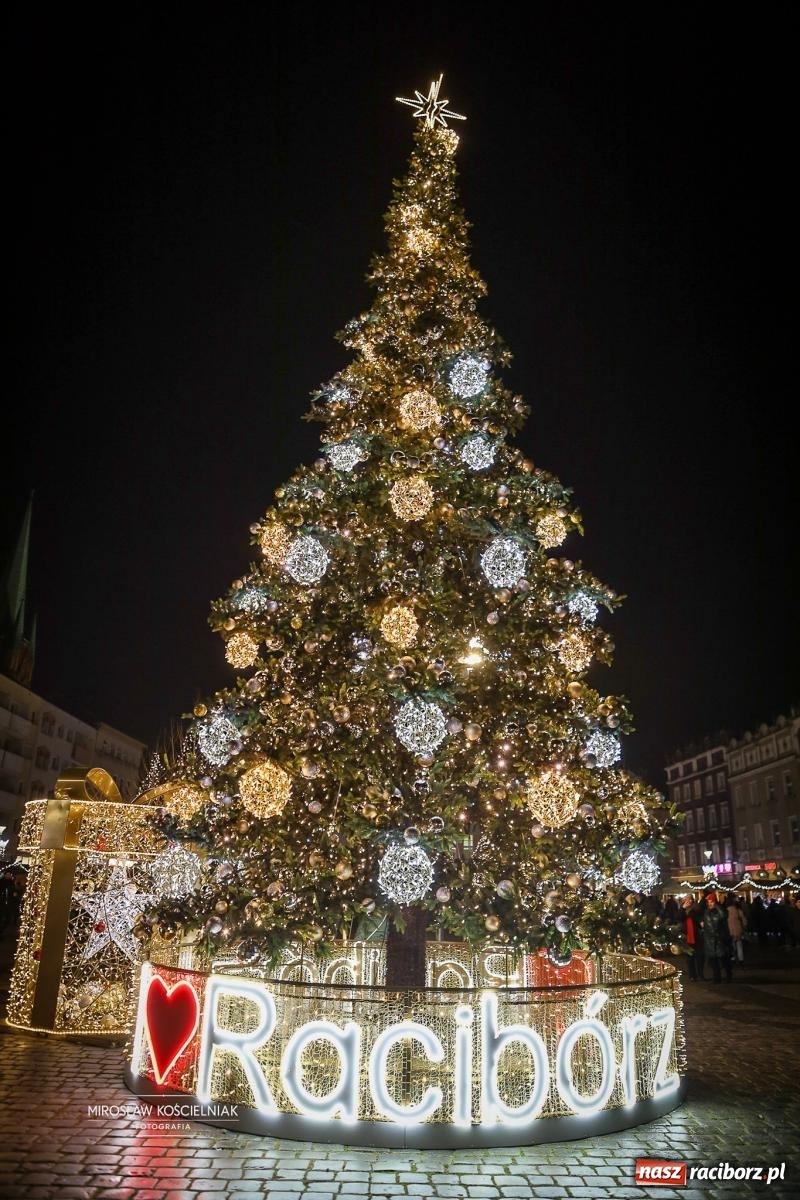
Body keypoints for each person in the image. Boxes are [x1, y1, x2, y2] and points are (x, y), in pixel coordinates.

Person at [703, 892, 733, 982]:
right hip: (710, 940)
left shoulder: (721, 911)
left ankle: (728, 976)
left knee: (724, 959)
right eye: (708, 902)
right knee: (713, 961)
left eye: (711, 902)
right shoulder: (706, 912)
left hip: (719, 939)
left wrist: (717, 906)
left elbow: (724, 915)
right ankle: (717, 977)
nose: (709, 904)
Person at [680, 894, 704, 981]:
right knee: (689, 958)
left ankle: (700, 975)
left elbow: (698, 919)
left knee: (699, 957)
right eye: (685, 899)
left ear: (691, 900)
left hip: (697, 936)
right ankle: (692, 975)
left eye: (688, 899)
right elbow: (678, 918)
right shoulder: (682, 909)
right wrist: (683, 909)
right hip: (687, 937)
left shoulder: (696, 909)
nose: (686, 901)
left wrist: (689, 912)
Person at [726, 896, 746, 965]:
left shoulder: (726, 911)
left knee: (732, 946)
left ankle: (733, 958)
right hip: (738, 930)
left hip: (729, 930)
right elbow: (744, 920)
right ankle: (741, 959)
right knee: (739, 945)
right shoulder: (738, 910)